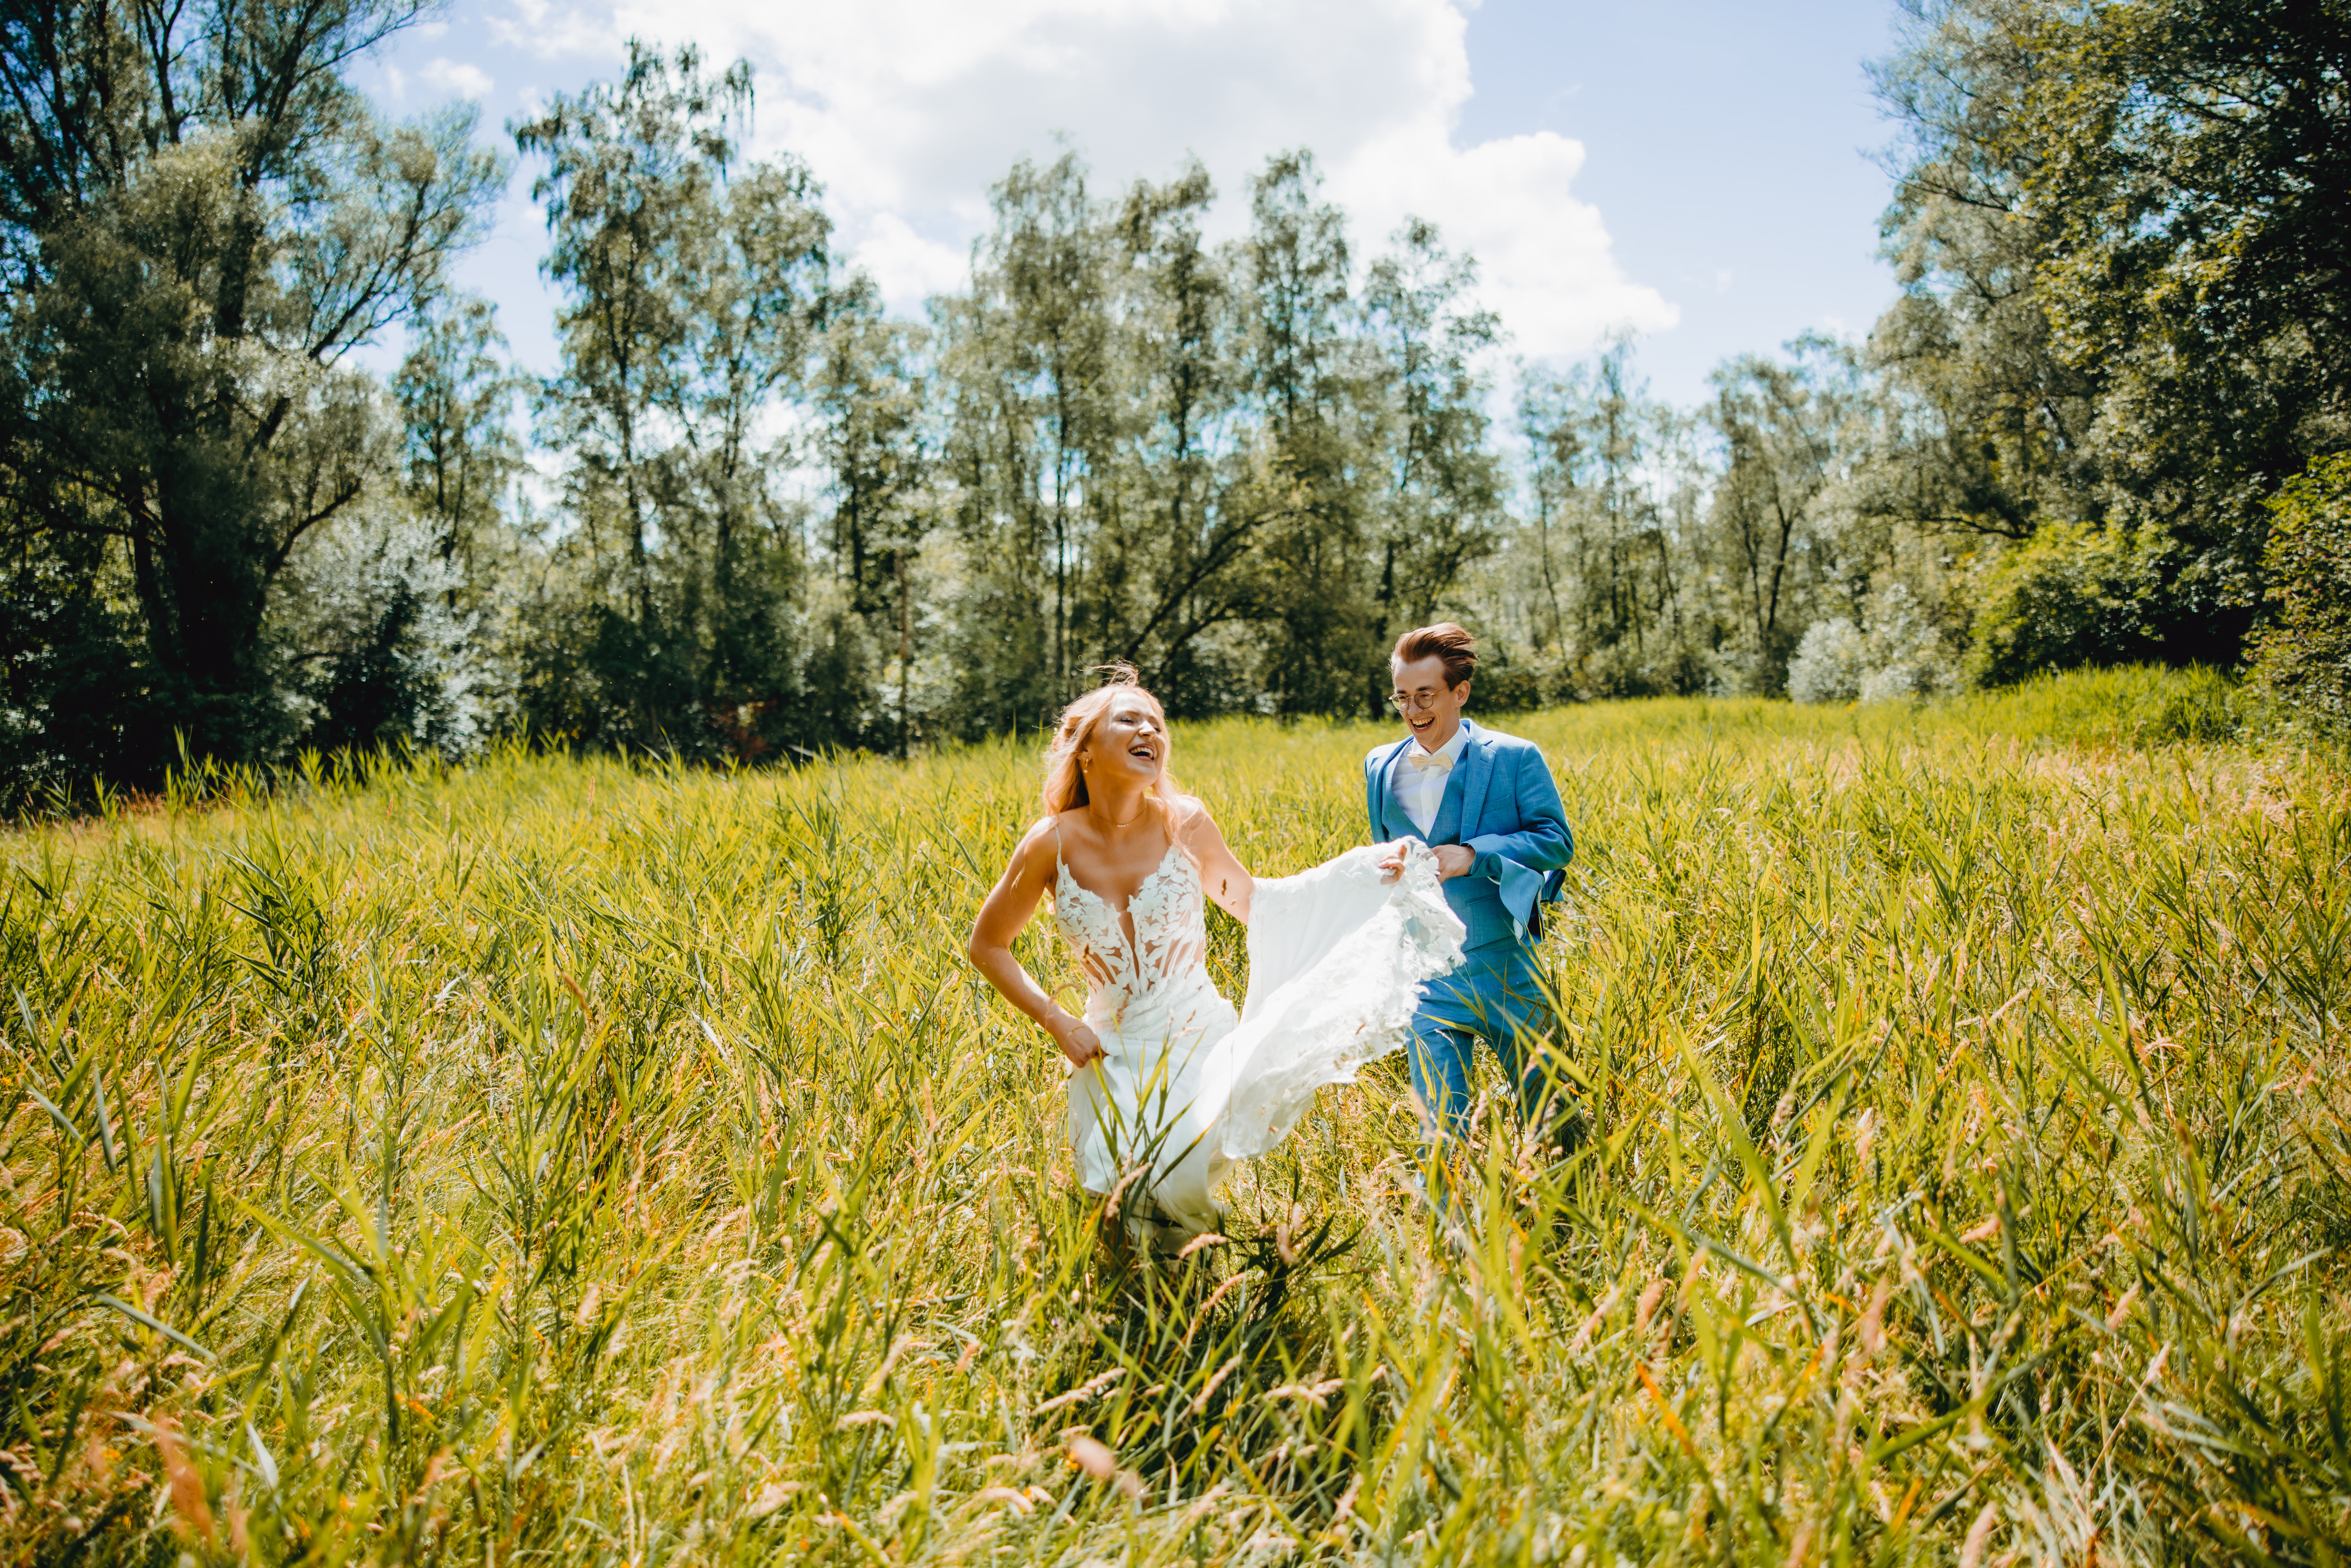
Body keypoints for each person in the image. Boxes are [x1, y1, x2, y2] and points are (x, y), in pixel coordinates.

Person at [968, 666, 1467, 1250]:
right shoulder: (1048, 842)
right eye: (1129, 719)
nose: (1148, 730)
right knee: (1122, 1202)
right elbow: (987, 945)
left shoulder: (1185, 821)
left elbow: (1254, 902)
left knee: (1174, 1180)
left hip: (1197, 1041)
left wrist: (1359, 875)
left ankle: (1205, 1302)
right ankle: (1149, 1313)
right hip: (1107, 1049)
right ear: (1083, 750)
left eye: (1156, 723)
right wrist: (1058, 1020)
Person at [1368, 623, 1576, 1191]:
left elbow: (1555, 840)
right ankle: (1448, 1248)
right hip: (1427, 975)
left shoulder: (1514, 757)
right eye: (1401, 696)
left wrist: (1474, 854)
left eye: (1424, 695)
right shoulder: (1378, 766)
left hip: (1507, 963)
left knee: (1552, 1117)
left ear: (1459, 691)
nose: (1411, 710)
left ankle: (1567, 1227)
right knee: (1439, 1131)